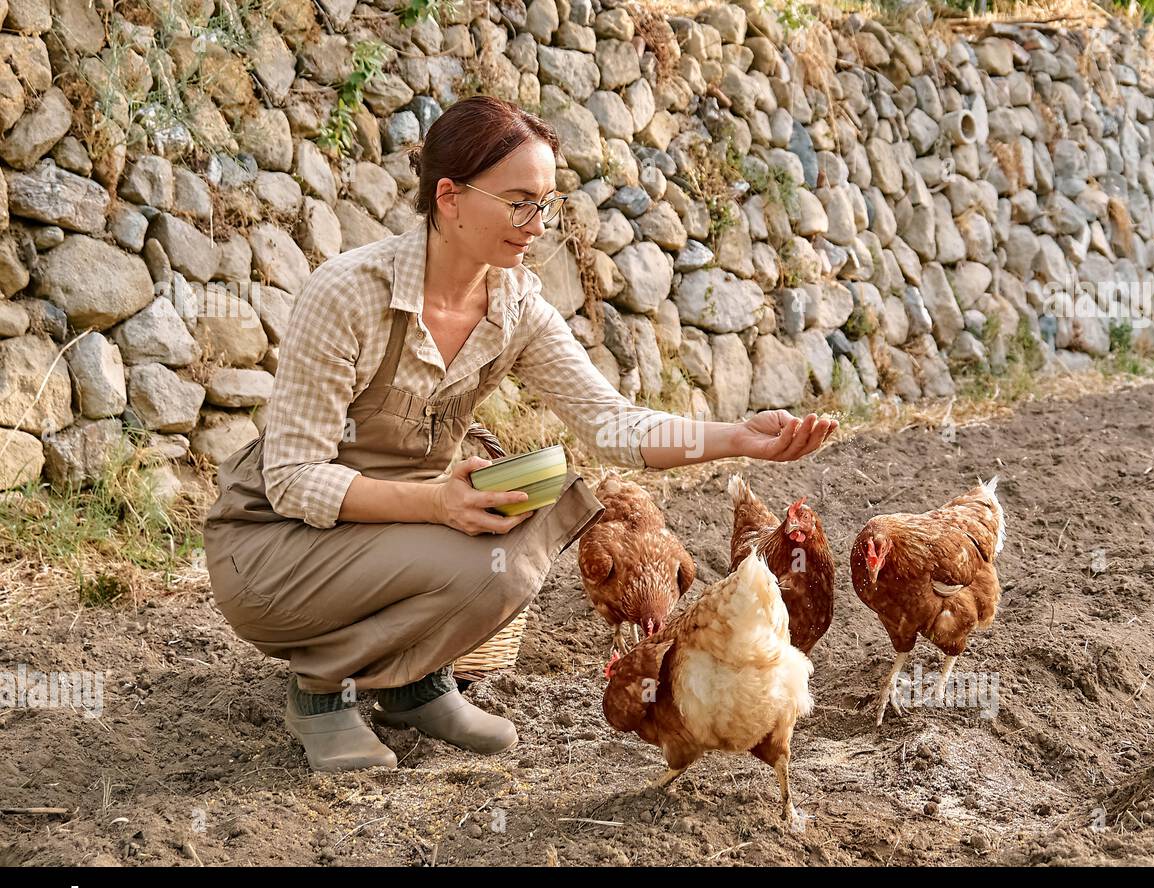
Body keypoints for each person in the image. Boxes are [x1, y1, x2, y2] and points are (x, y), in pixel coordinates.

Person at [201, 95, 837, 773]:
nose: (538, 224)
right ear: (450, 197)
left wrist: (739, 437)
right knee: (472, 540)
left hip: (386, 535)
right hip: (276, 547)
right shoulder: (349, 294)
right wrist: (438, 503)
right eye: (519, 202)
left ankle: (414, 684)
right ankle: (322, 694)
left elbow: (613, 423)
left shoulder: (514, 305)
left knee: (536, 522)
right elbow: (294, 478)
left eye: (546, 203)